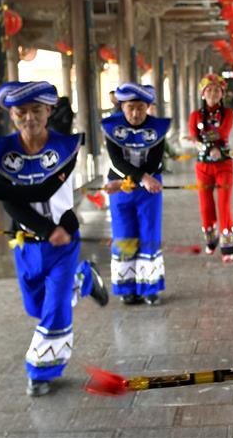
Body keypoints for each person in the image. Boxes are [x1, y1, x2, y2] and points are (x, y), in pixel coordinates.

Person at [0, 81, 108, 397]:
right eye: (21, 112)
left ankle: (41, 371)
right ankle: (83, 280)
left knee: (54, 308)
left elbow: (42, 192)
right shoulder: (4, 152)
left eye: (36, 110)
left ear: (49, 111)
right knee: (36, 306)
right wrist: (0, 193)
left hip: (63, 238)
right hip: (26, 241)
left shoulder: (65, 148)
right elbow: (12, 202)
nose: (29, 118)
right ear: (11, 115)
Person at [101, 83, 170, 305]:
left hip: (150, 187)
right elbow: (116, 160)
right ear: (122, 106)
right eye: (130, 107)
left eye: (141, 107)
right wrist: (138, 179)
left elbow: (155, 159)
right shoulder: (111, 127)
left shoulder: (157, 128)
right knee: (124, 234)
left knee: (150, 233)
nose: (135, 113)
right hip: (120, 187)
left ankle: (150, 287)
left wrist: (145, 179)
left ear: (148, 106)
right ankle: (127, 287)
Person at [188, 73, 233, 262]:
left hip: (224, 165)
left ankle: (228, 246)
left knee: (224, 204)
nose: (213, 93)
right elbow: (193, 135)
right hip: (203, 166)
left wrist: (204, 142)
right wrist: (201, 143)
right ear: (203, 93)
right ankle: (211, 240)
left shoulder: (229, 114)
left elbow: (222, 133)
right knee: (205, 205)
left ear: (222, 93)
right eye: (209, 90)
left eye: (217, 90)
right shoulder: (194, 115)